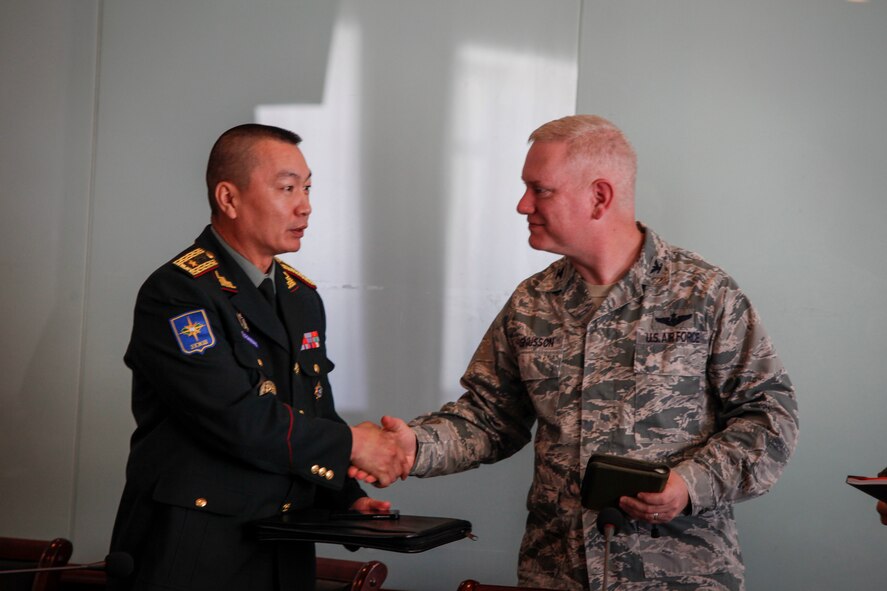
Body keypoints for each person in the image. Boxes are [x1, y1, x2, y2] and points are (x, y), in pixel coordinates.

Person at [360, 115, 799, 590]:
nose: (522, 204)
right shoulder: (532, 302)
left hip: (679, 576)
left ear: (599, 196)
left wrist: (688, 485)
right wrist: (412, 447)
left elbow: (769, 418)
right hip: (556, 575)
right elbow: (489, 419)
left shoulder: (704, 294)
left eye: (539, 189)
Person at [109, 123, 407, 591]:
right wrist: (354, 445)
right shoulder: (179, 292)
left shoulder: (299, 296)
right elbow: (236, 417)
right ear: (228, 198)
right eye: (287, 188)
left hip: (283, 547)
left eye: (307, 188)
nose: (305, 205)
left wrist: (345, 497)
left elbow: (311, 410)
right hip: (195, 551)